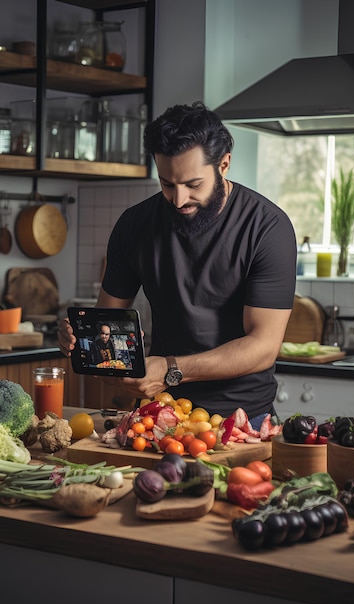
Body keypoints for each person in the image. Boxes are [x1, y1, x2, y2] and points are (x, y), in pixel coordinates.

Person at [59, 101, 297, 427]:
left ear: (224, 165)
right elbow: (108, 322)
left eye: (193, 184)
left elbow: (263, 347)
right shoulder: (134, 224)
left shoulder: (268, 228)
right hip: (161, 416)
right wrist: (81, 341)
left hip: (243, 420)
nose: (179, 199)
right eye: (167, 184)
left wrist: (172, 369)